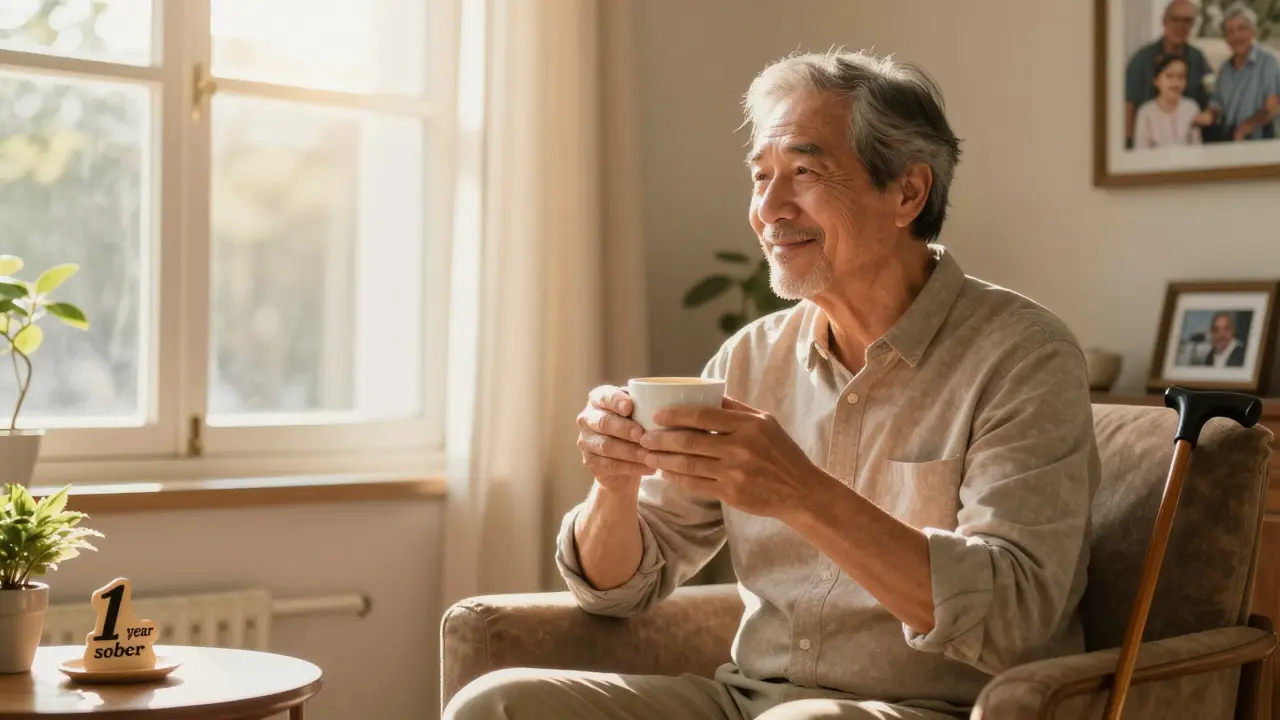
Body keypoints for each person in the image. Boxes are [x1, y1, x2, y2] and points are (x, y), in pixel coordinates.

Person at [445, 49, 1101, 720]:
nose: (768, 208)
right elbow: (617, 589)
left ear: (907, 192)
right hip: (745, 702)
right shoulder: (749, 358)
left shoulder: (1022, 356)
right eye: (761, 176)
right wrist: (615, 484)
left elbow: (1016, 613)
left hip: (933, 708)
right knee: (496, 705)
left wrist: (802, 494)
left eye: (804, 172)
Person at [1125, 0, 1211, 148]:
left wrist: (1209, 113)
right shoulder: (1141, 59)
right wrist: (1128, 143)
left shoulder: (1197, 58)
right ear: (1164, 21)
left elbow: (1212, 93)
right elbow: (1128, 105)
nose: (1180, 26)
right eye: (1175, 20)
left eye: (1187, 21)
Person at [1193, 3, 1280, 142]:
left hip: (1263, 142)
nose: (1236, 36)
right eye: (1230, 31)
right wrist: (1206, 115)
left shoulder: (1268, 63)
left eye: (1242, 29)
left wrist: (1246, 127)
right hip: (1231, 141)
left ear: (1253, 31)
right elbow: (1217, 105)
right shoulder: (1225, 70)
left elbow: (1273, 107)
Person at [1134, 54, 1204, 148]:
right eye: (1169, 76)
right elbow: (1141, 150)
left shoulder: (1191, 108)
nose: (1176, 83)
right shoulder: (1146, 112)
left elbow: (1196, 147)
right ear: (1156, 80)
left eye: (1181, 77)